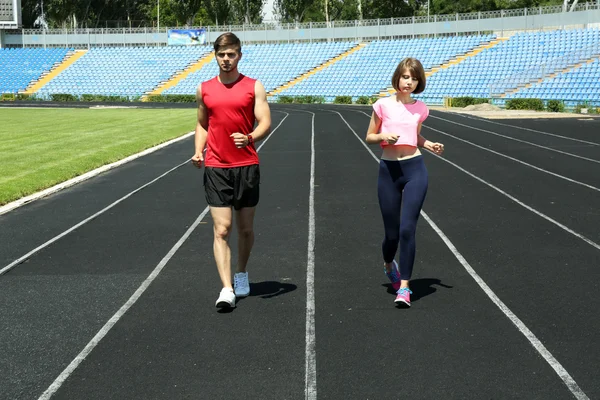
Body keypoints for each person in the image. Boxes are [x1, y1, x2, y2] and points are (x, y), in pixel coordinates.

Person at [192, 32, 271, 309]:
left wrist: (249, 137)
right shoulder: (204, 88)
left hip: (246, 165)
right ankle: (226, 289)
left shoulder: (253, 86)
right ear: (215, 55)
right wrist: (198, 149)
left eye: (231, 54)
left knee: (245, 229)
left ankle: (240, 273)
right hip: (216, 166)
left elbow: (265, 122)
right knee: (222, 229)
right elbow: (203, 123)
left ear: (239, 55)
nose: (226, 60)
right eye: (221, 55)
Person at [365, 57, 444, 307]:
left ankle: (405, 287)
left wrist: (428, 143)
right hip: (389, 170)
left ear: (419, 82)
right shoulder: (382, 105)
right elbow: (369, 136)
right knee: (392, 234)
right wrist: (382, 136)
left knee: (408, 228)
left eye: (414, 78)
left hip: (414, 169)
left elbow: (415, 135)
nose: (409, 82)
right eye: (405, 77)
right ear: (397, 78)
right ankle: (389, 264)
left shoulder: (421, 108)